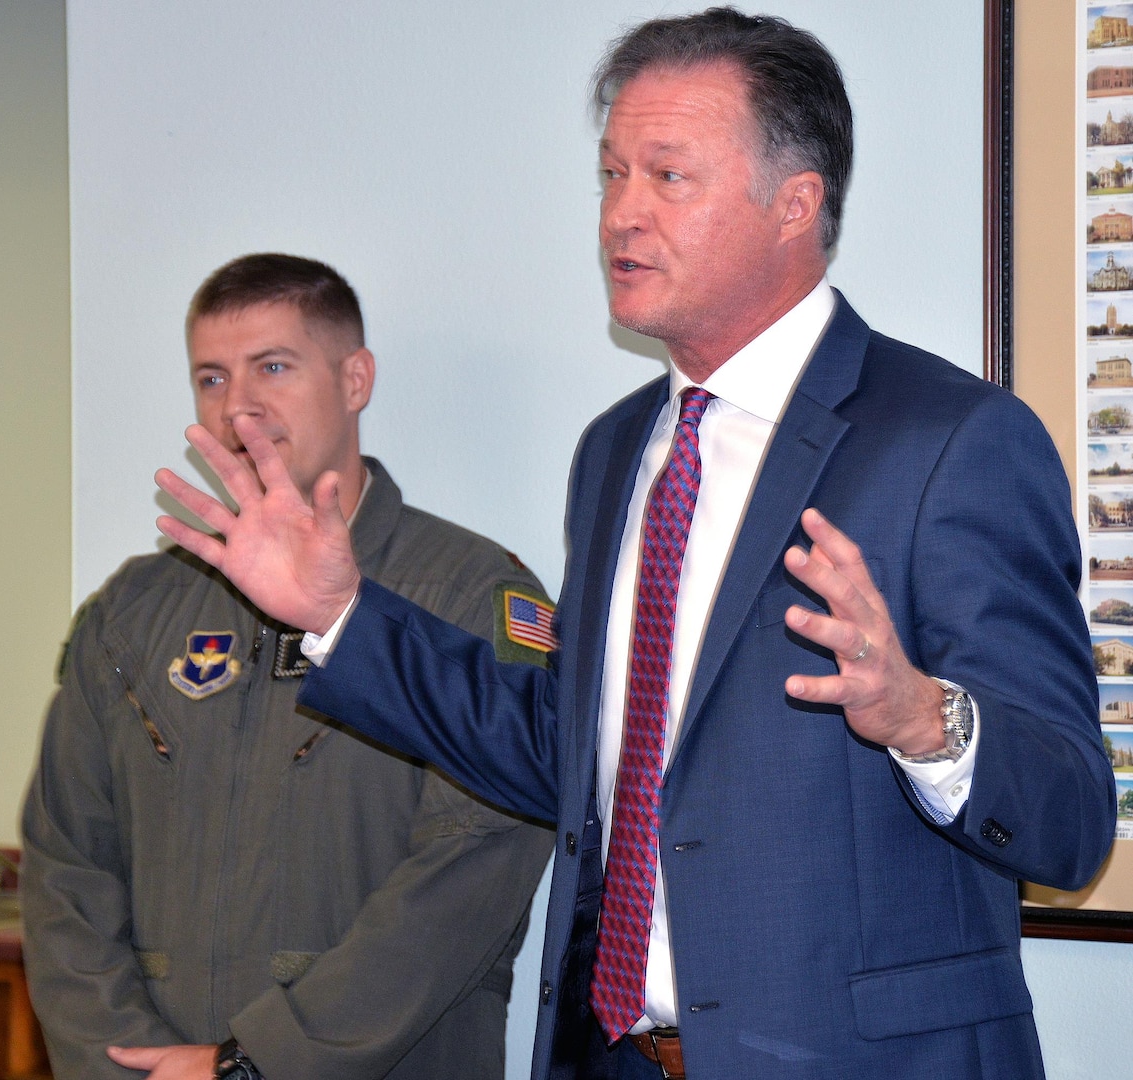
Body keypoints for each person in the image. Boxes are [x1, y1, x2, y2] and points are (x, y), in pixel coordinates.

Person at [153, 12, 1116, 1080]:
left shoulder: (950, 443)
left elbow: (1070, 820)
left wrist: (922, 718)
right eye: (611, 174)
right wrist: (337, 613)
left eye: (667, 176)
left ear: (792, 204)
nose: (621, 214)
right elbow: (573, 752)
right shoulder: (618, 451)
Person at [21, 253, 555, 1080]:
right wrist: (124, 1062)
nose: (240, 405)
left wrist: (253, 1065)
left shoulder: (464, 591)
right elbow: (66, 866)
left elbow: (471, 869)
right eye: (210, 377)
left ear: (355, 378)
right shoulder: (131, 613)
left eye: (273, 366)